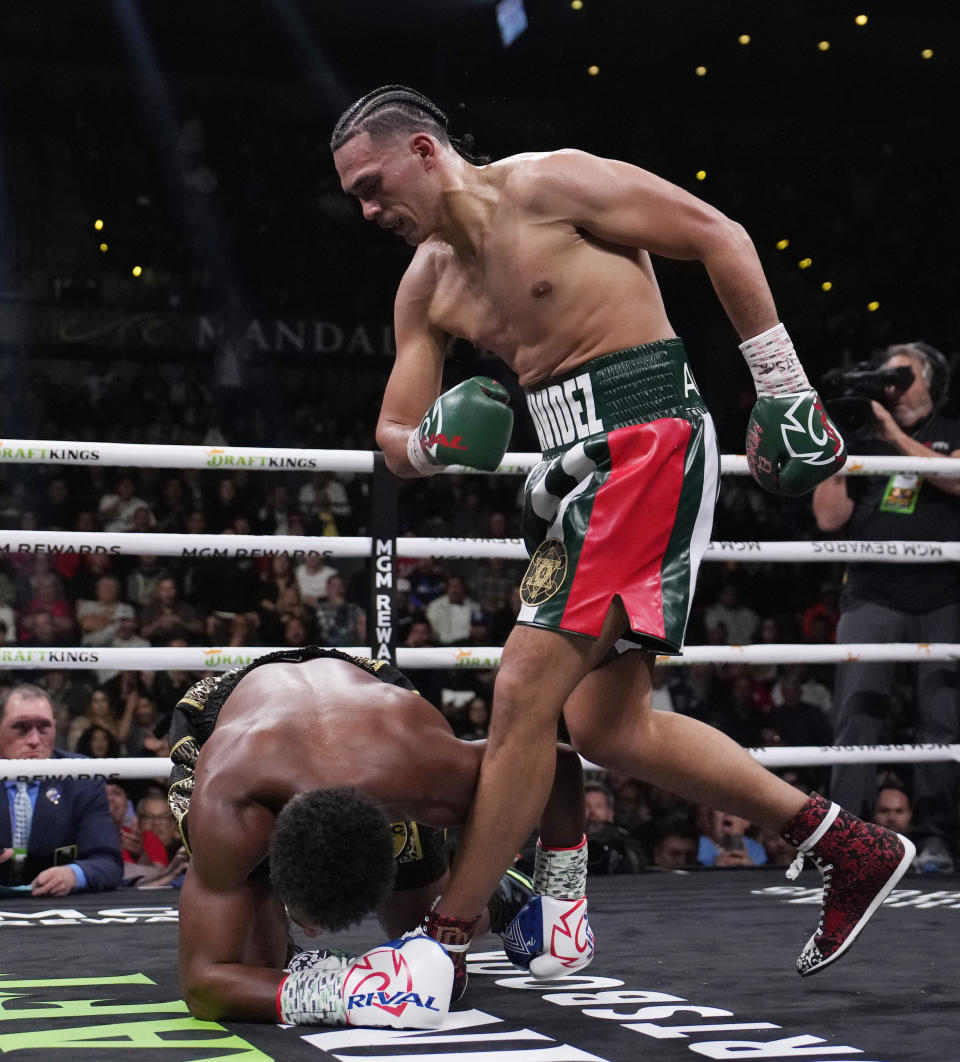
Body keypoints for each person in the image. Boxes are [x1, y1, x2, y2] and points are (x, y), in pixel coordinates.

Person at [331, 84, 911, 984]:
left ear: (421, 150)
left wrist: (783, 385)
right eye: (355, 198)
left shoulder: (553, 185)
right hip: (568, 469)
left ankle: (442, 943)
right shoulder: (428, 284)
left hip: (650, 437)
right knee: (607, 725)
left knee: (524, 686)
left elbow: (718, 233)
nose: (368, 211)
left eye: (372, 184)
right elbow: (390, 437)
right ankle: (850, 845)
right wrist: (433, 446)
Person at [169, 645, 585, 1027]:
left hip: (372, 703)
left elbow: (559, 763)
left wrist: (563, 902)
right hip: (231, 708)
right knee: (259, 964)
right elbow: (204, 988)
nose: (314, 929)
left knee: (417, 927)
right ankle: (289, 957)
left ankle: (505, 895)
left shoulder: (426, 775)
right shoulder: (231, 806)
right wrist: (352, 996)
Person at [812, 341, 960, 873]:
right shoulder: (862, 441)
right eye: (885, 376)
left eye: (901, 376)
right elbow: (830, 519)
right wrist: (835, 447)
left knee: (940, 721)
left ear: (931, 383)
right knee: (856, 715)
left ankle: (937, 838)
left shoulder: (952, 433)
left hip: (943, 597)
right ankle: (847, 843)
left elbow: (957, 477)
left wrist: (891, 437)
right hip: (872, 593)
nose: (890, 385)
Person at [0, 684, 123, 895]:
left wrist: (75, 874)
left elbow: (108, 861)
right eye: (21, 728)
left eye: (43, 728)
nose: (34, 740)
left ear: (55, 728)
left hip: (57, 908)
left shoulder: (81, 776)